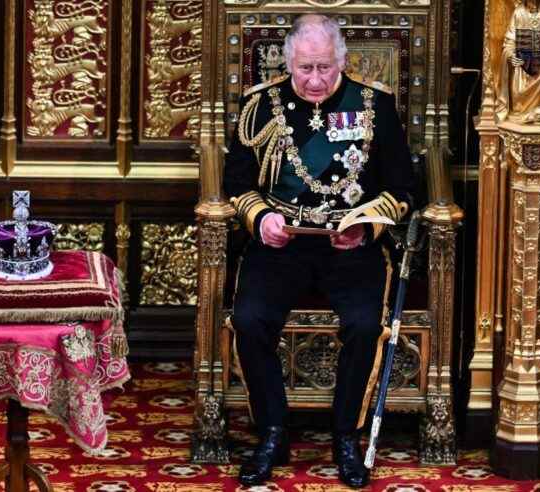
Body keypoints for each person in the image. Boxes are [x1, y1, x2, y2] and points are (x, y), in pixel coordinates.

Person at [224, 14, 414, 489]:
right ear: (288, 63)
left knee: (365, 325)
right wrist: (261, 219)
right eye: (304, 68)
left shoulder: (375, 106)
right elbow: (236, 185)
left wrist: (367, 228)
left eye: (325, 68)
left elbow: (404, 189)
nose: (314, 80)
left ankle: (345, 436)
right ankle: (271, 432)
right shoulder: (259, 108)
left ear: (342, 62)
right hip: (281, 245)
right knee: (248, 320)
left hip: (349, 248)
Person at [496, 0, 540, 123]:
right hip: (523, 63)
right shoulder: (518, 13)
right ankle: (522, 111)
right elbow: (509, 44)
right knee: (519, 82)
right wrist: (511, 56)